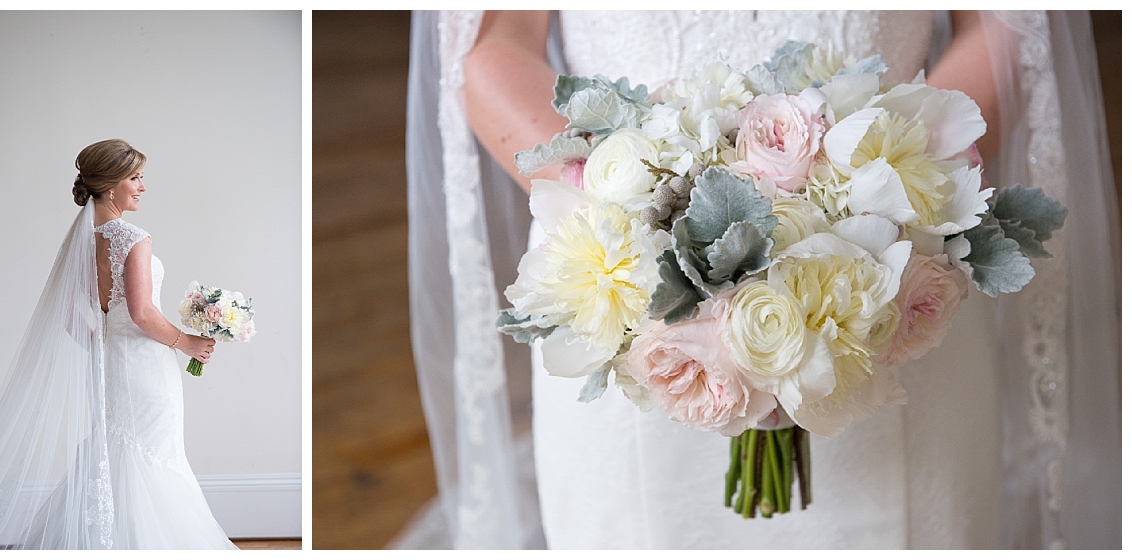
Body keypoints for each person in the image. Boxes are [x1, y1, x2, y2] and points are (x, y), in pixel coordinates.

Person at [407, 10, 1119, 549]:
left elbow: (1007, 18)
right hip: (625, 287)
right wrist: (631, 210)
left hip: (891, 280)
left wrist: (876, 204)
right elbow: (490, 40)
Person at [0, 140, 238, 549]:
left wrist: (101, 347)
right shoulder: (134, 237)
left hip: (113, 364)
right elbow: (142, 313)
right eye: (135, 178)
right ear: (112, 185)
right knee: (154, 454)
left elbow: (66, 313)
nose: (143, 187)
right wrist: (185, 342)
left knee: (120, 449)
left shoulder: (83, 239)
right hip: (146, 366)